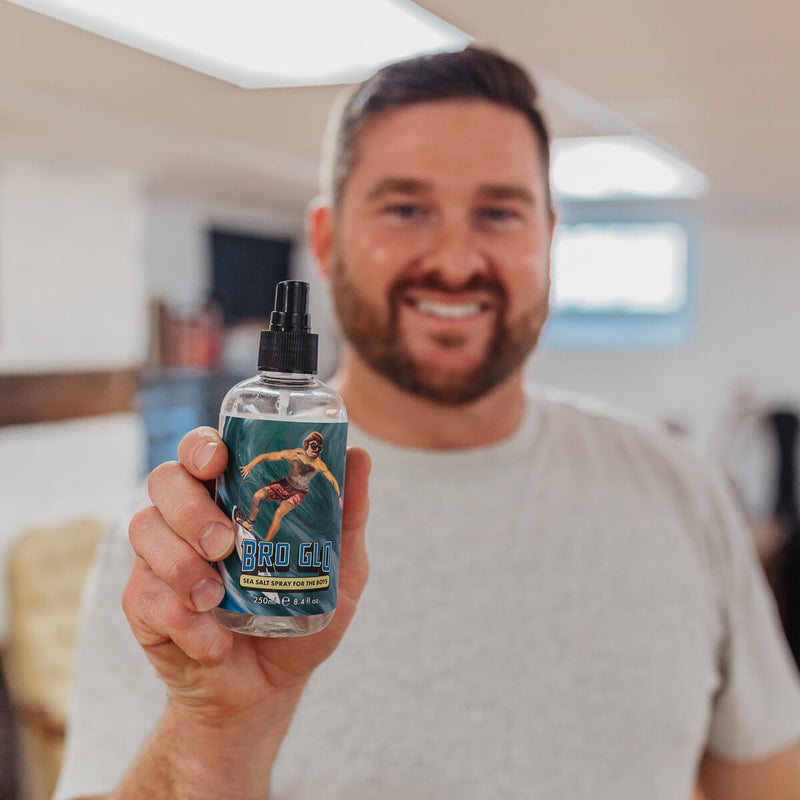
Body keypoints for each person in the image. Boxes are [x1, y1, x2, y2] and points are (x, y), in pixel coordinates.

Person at [55, 46, 800, 800]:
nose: (453, 259)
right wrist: (216, 734)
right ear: (327, 239)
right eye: (406, 208)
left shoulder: (683, 493)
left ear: (548, 238)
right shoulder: (186, 553)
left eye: (499, 212)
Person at [237, 431, 342, 540]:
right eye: (313, 446)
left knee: (279, 513)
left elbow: (333, 480)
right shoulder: (294, 455)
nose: (316, 450)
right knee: (257, 496)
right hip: (284, 484)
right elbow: (267, 456)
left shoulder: (319, 464)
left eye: (319, 448)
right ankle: (249, 523)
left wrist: (339, 497)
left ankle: (265, 544)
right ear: (306, 445)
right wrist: (250, 466)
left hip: (299, 493)